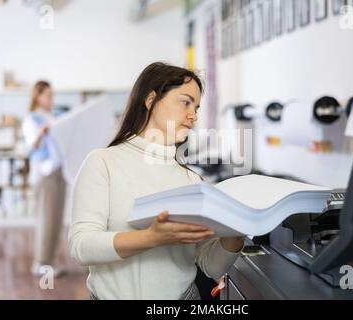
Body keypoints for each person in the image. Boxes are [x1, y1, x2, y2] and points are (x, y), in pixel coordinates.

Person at [69, 62, 244, 300]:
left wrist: (237, 234)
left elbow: (210, 266)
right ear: (151, 100)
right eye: (185, 102)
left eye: (197, 107)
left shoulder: (192, 180)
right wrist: (151, 238)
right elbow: (81, 247)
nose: (193, 115)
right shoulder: (102, 163)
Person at [22, 81, 66, 277]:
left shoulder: (55, 116)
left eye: (52, 94)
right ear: (37, 97)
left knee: (56, 219)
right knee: (45, 219)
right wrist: (41, 132)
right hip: (45, 173)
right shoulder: (31, 120)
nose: (51, 99)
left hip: (59, 172)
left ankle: (51, 261)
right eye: (47, 95)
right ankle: (40, 262)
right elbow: (34, 146)